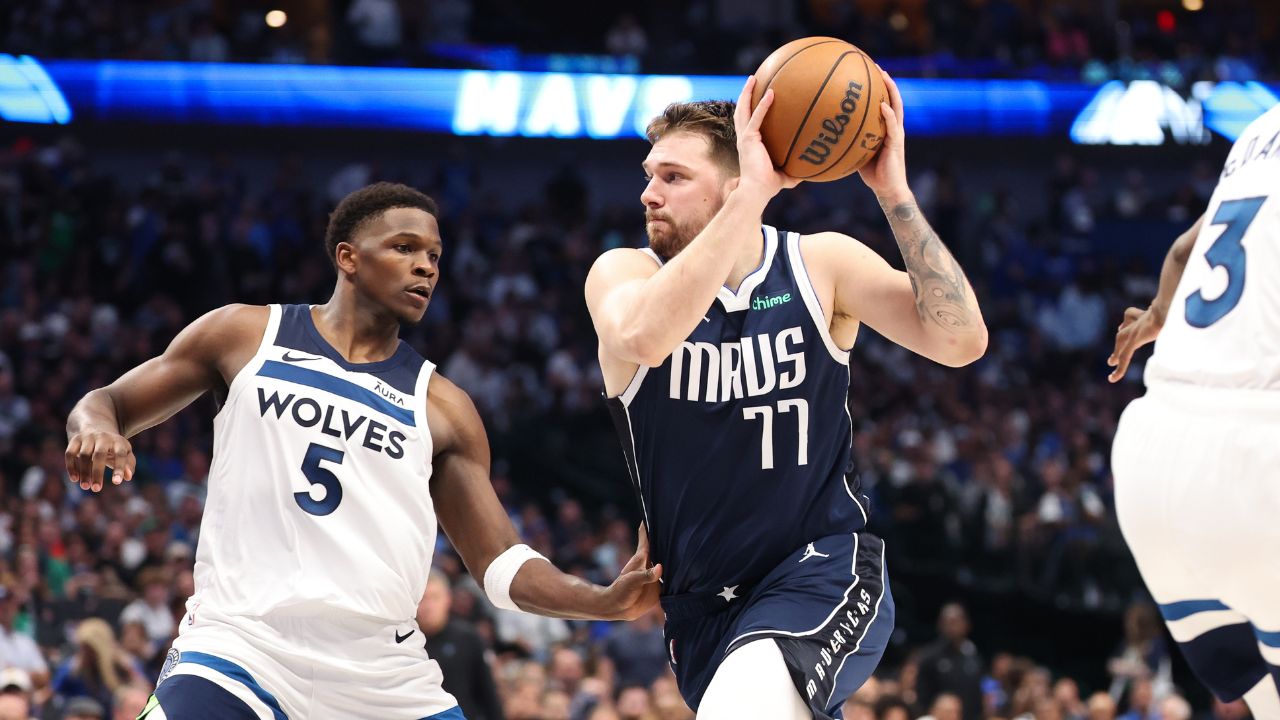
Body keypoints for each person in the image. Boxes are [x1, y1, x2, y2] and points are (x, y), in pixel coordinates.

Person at [65, 182, 661, 719]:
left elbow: (500, 564)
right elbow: (108, 400)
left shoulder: (443, 405)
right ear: (348, 257)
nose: (425, 266)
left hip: (383, 676)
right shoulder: (245, 334)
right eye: (404, 248)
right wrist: (97, 427)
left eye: (434, 255)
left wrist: (603, 601)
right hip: (241, 645)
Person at [584, 73, 986, 719]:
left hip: (820, 568)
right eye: (650, 174)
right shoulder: (624, 273)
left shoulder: (820, 263)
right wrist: (747, 201)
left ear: (742, 181)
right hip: (699, 603)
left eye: (673, 177)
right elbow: (645, 337)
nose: (647, 193)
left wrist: (894, 193)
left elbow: (961, 341)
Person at [1108, 104, 1280, 718]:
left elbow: (1186, 248)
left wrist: (1158, 314)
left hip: (1156, 455)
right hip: (1263, 459)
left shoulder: (1259, 129)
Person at [417, 569, 504, 720]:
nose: (428, 606)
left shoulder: (469, 639)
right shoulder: (402, 642)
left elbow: (489, 695)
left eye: (435, 597)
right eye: (423, 599)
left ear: (448, 599)